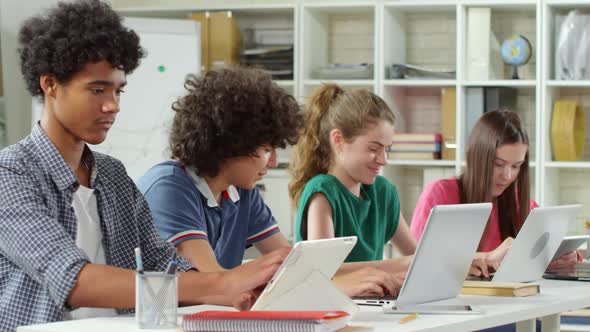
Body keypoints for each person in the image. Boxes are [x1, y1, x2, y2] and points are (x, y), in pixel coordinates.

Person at [0, 1, 287, 331]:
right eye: (97, 90)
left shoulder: (112, 175)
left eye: (118, 91)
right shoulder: (11, 175)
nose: (112, 106)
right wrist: (220, 284)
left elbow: (162, 262)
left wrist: (238, 289)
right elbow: (74, 280)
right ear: (49, 84)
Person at [139, 68, 401, 298]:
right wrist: (336, 287)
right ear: (230, 144)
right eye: (266, 149)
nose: (274, 162)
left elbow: (297, 268)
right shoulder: (169, 188)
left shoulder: (242, 192)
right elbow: (217, 283)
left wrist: (381, 272)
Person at [410, 109, 579, 277]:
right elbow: (415, 263)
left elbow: (548, 248)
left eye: (516, 166)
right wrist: (486, 257)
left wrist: (563, 257)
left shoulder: (521, 204)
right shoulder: (440, 194)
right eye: (498, 164)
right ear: (476, 156)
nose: (507, 176)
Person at [288, 83, 416, 273]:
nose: (383, 160)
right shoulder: (323, 192)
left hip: (369, 300)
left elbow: (415, 256)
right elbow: (324, 272)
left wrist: (464, 262)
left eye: (387, 149)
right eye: (373, 148)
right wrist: (396, 265)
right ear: (338, 140)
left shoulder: (383, 192)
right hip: (330, 302)